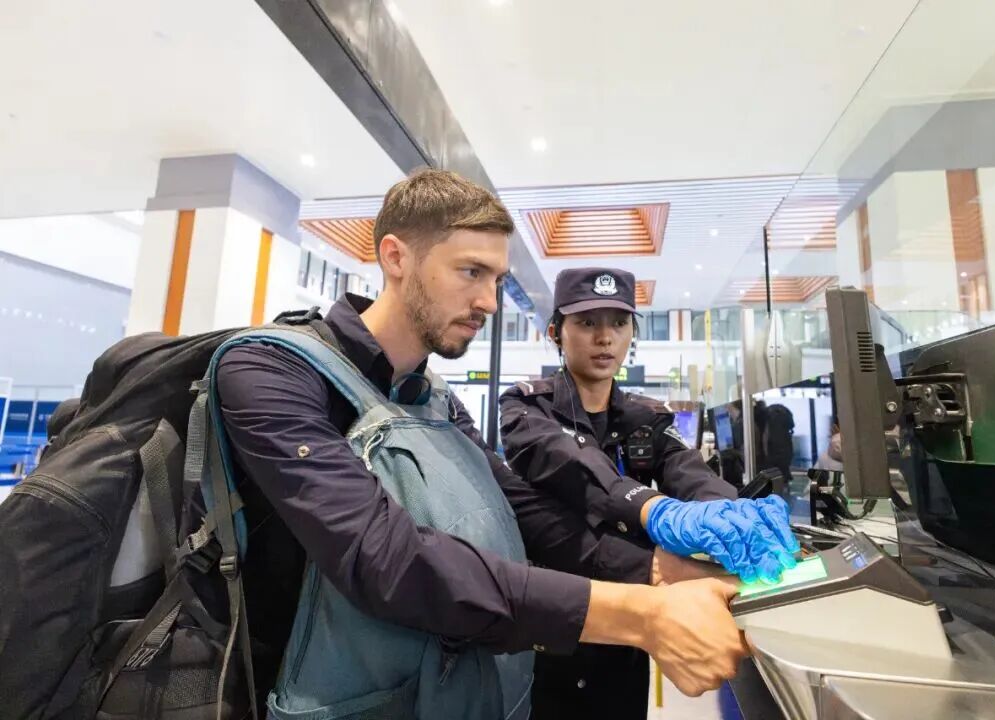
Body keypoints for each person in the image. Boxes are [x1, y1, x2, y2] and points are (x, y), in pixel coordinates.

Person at [215, 170, 768, 718]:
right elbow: (388, 558)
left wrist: (656, 570)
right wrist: (640, 613)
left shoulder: (436, 399)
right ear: (396, 257)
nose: (490, 301)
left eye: (497, 279)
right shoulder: (271, 371)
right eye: (471, 271)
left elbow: (521, 508)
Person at [499, 267, 799, 719]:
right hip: (556, 620)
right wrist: (655, 509)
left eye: (619, 323)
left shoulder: (646, 417)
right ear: (556, 332)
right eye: (587, 322)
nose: (605, 338)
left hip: (633, 627)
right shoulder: (526, 407)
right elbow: (574, 465)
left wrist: (725, 511)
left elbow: (687, 469)